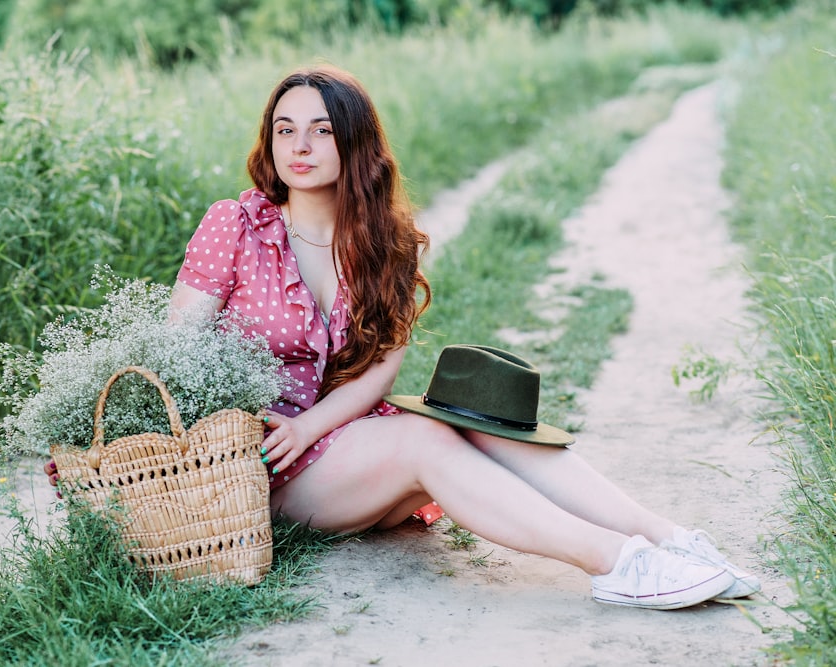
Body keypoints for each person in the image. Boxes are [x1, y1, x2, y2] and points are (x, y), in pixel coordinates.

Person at [45, 64, 759, 609]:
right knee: (423, 440)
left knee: (480, 422)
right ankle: (615, 564)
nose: (300, 144)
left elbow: (383, 367)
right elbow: (176, 355)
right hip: (254, 467)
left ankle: (666, 538)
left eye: (322, 128)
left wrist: (317, 423)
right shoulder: (233, 227)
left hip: (335, 440)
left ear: (353, 140)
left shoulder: (382, 240)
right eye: (285, 127)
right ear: (269, 140)